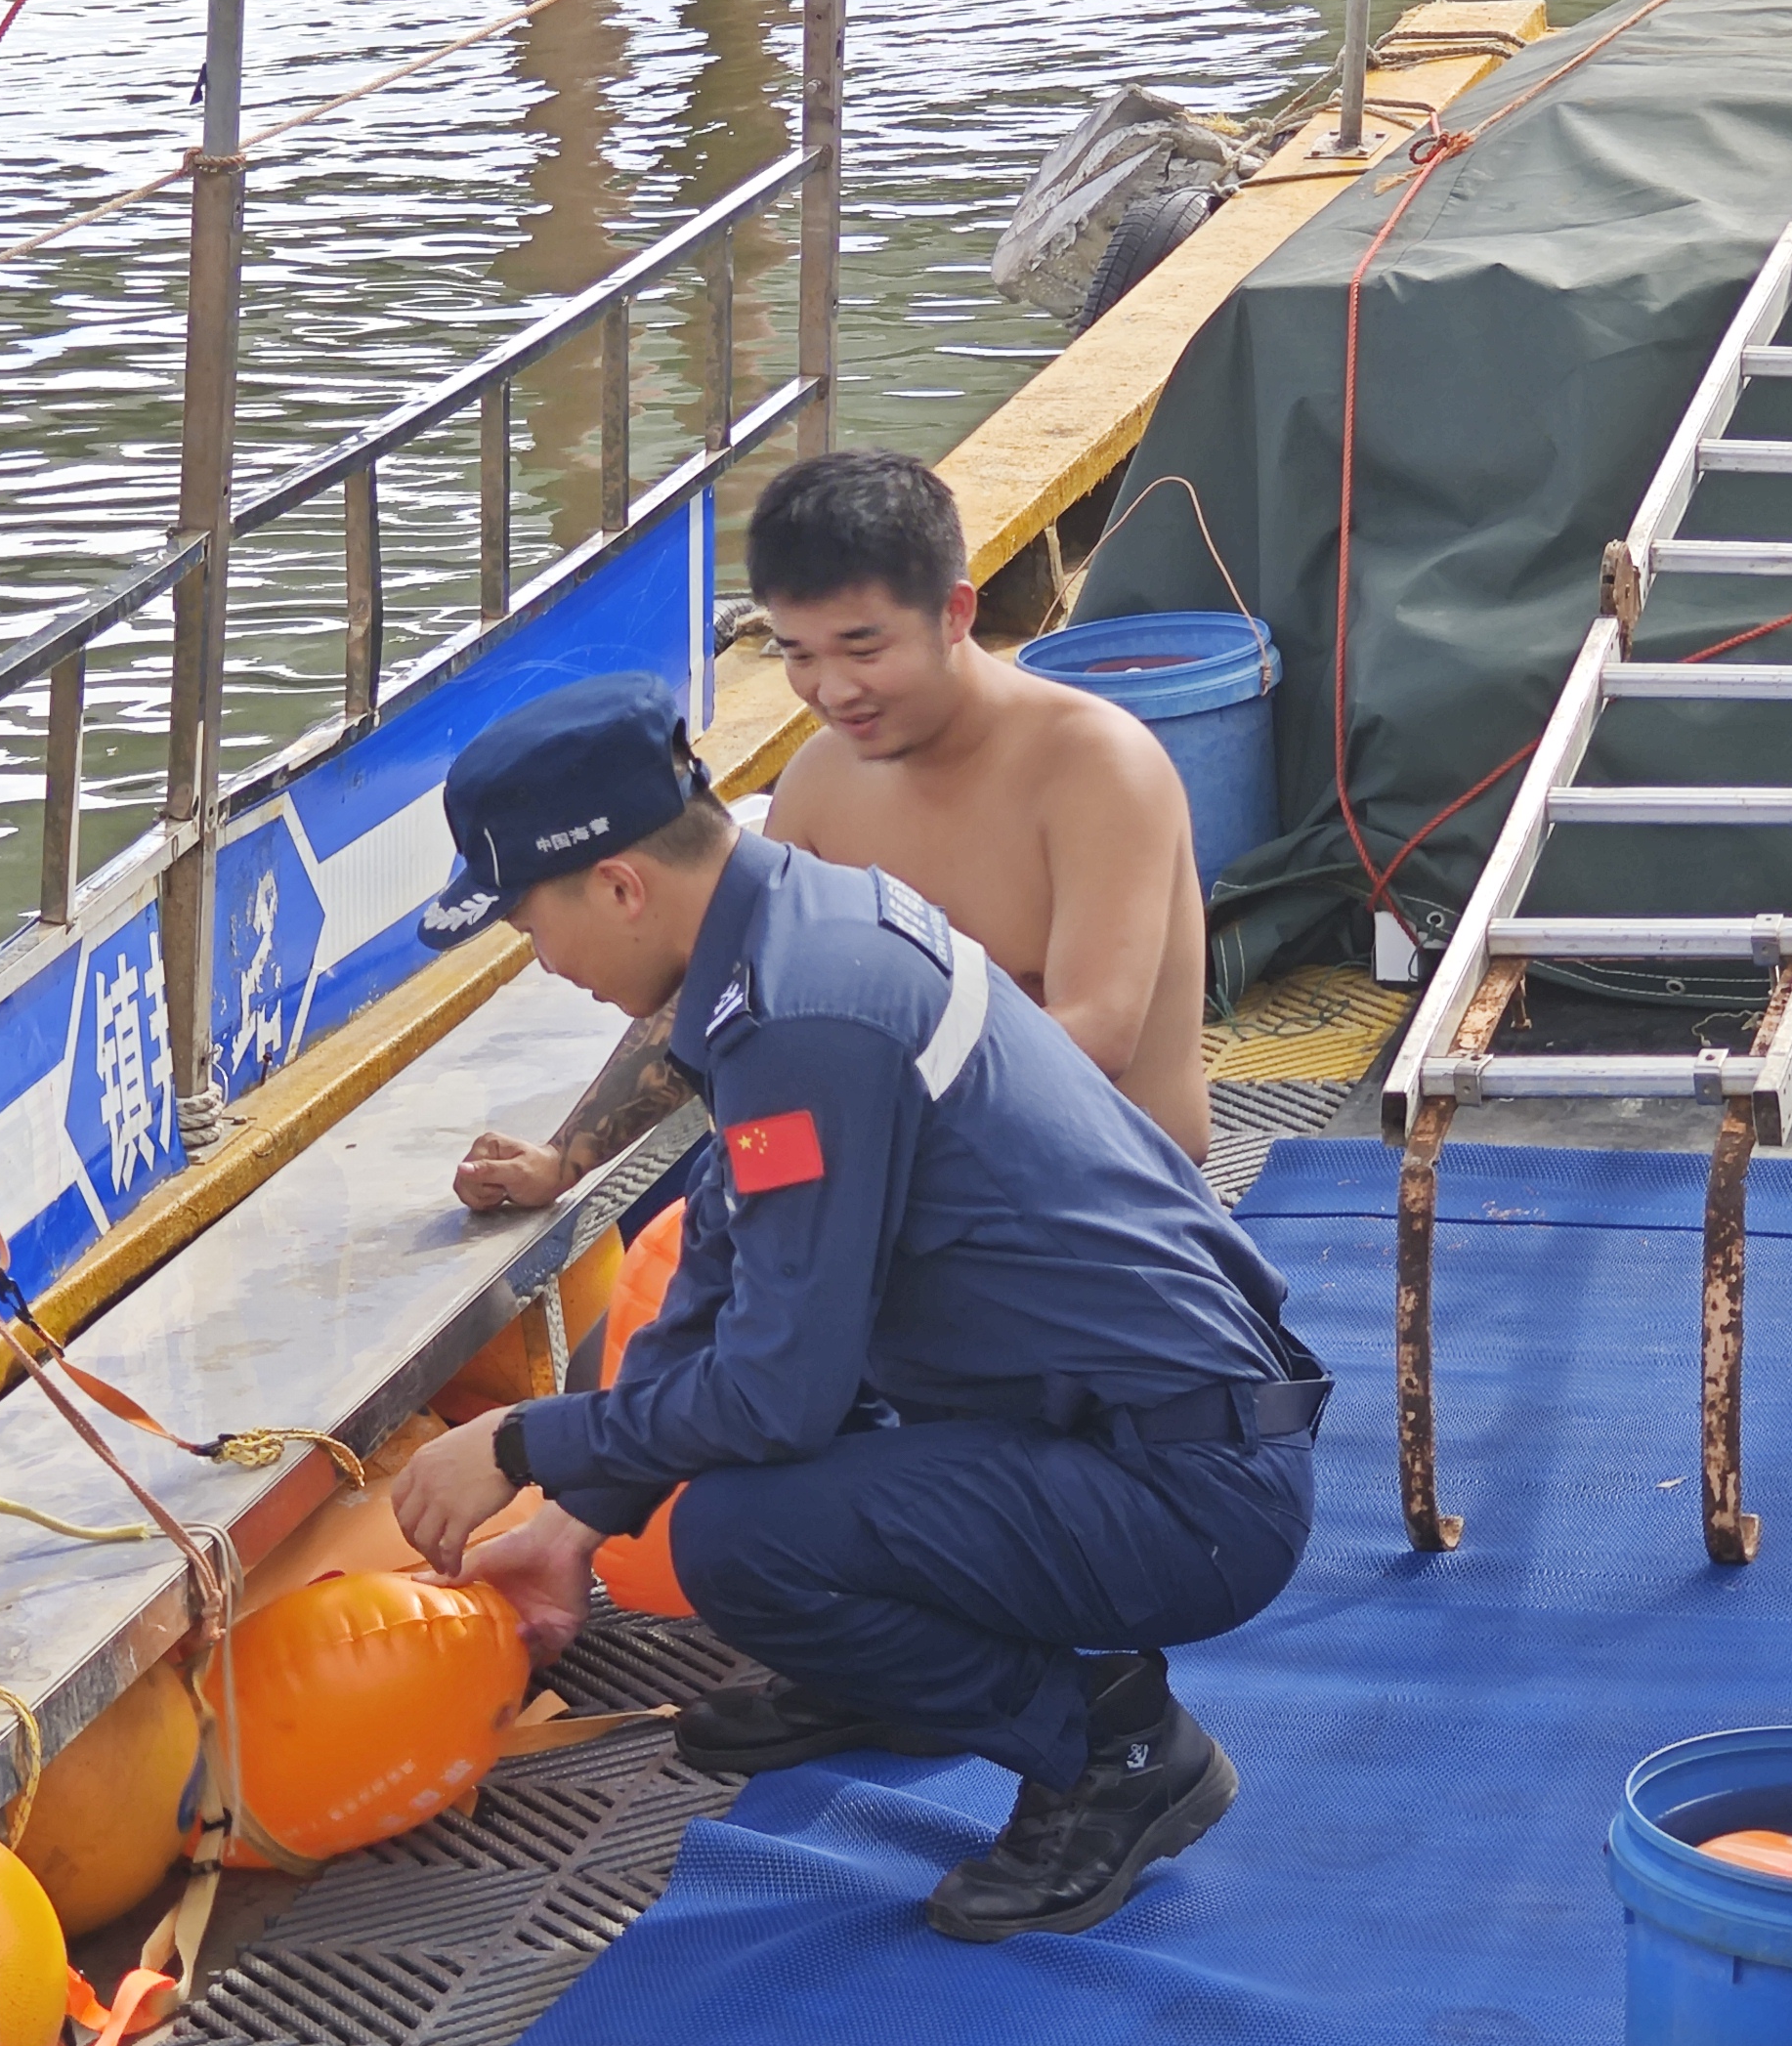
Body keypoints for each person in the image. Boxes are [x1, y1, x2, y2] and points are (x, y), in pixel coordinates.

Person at [391, 672, 1325, 1942]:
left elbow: (777, 1395)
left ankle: (1113, 1748)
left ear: (618, 886)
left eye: (528, 926)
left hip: (1190, 1492)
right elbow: (724, 1253)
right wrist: (577, 1521)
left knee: (745, 1539)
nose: (543, 965)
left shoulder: (802, 1017)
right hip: (1131, 1417)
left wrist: (516, 1445)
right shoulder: (793, 924)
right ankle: (899, 1679)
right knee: (736, 1441)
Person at [448, 448, 1210, 1214]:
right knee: (703, 1206)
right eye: (799, 654)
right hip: (899, 1180)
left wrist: (816, 1130)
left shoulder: (1098, 767)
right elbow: (724, 980)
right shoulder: (820, 779)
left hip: (1108, 1201)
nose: (834, 690)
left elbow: (1097, 1038)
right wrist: (566, 1157)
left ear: (955, 613)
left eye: (863, 649)